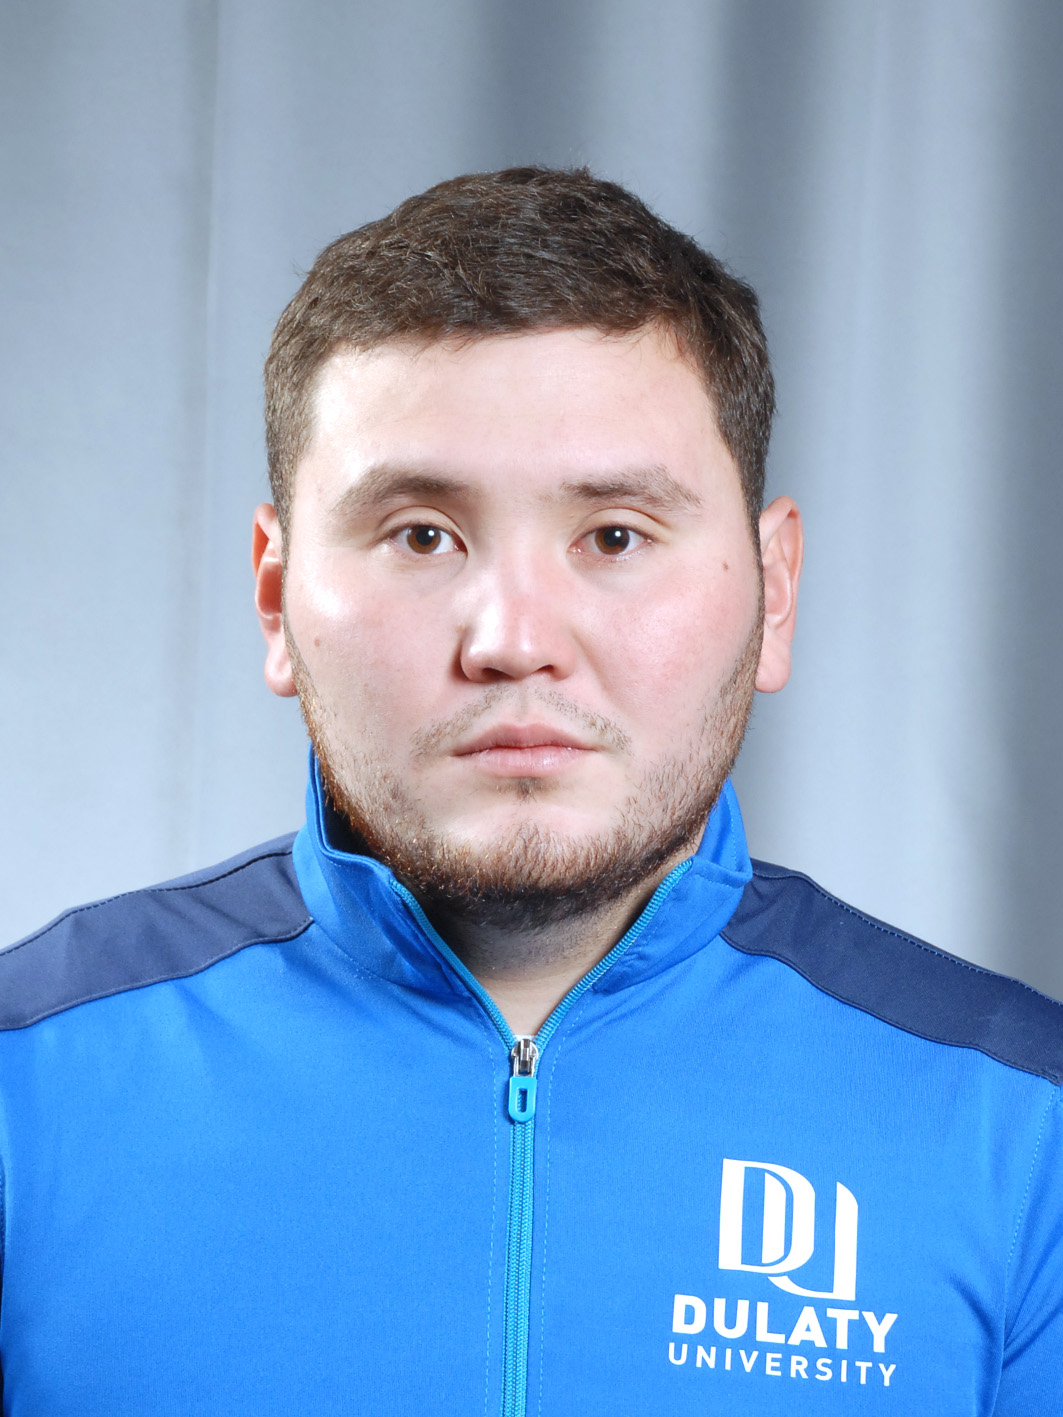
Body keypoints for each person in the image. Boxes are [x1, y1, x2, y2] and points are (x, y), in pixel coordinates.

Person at [1, 168, 1060, 1416]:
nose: (512, 640)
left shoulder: (1022, 1133)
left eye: (614, 534)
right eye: (421, 534)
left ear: (773, 590)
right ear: (276, 598)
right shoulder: (25, 1087)